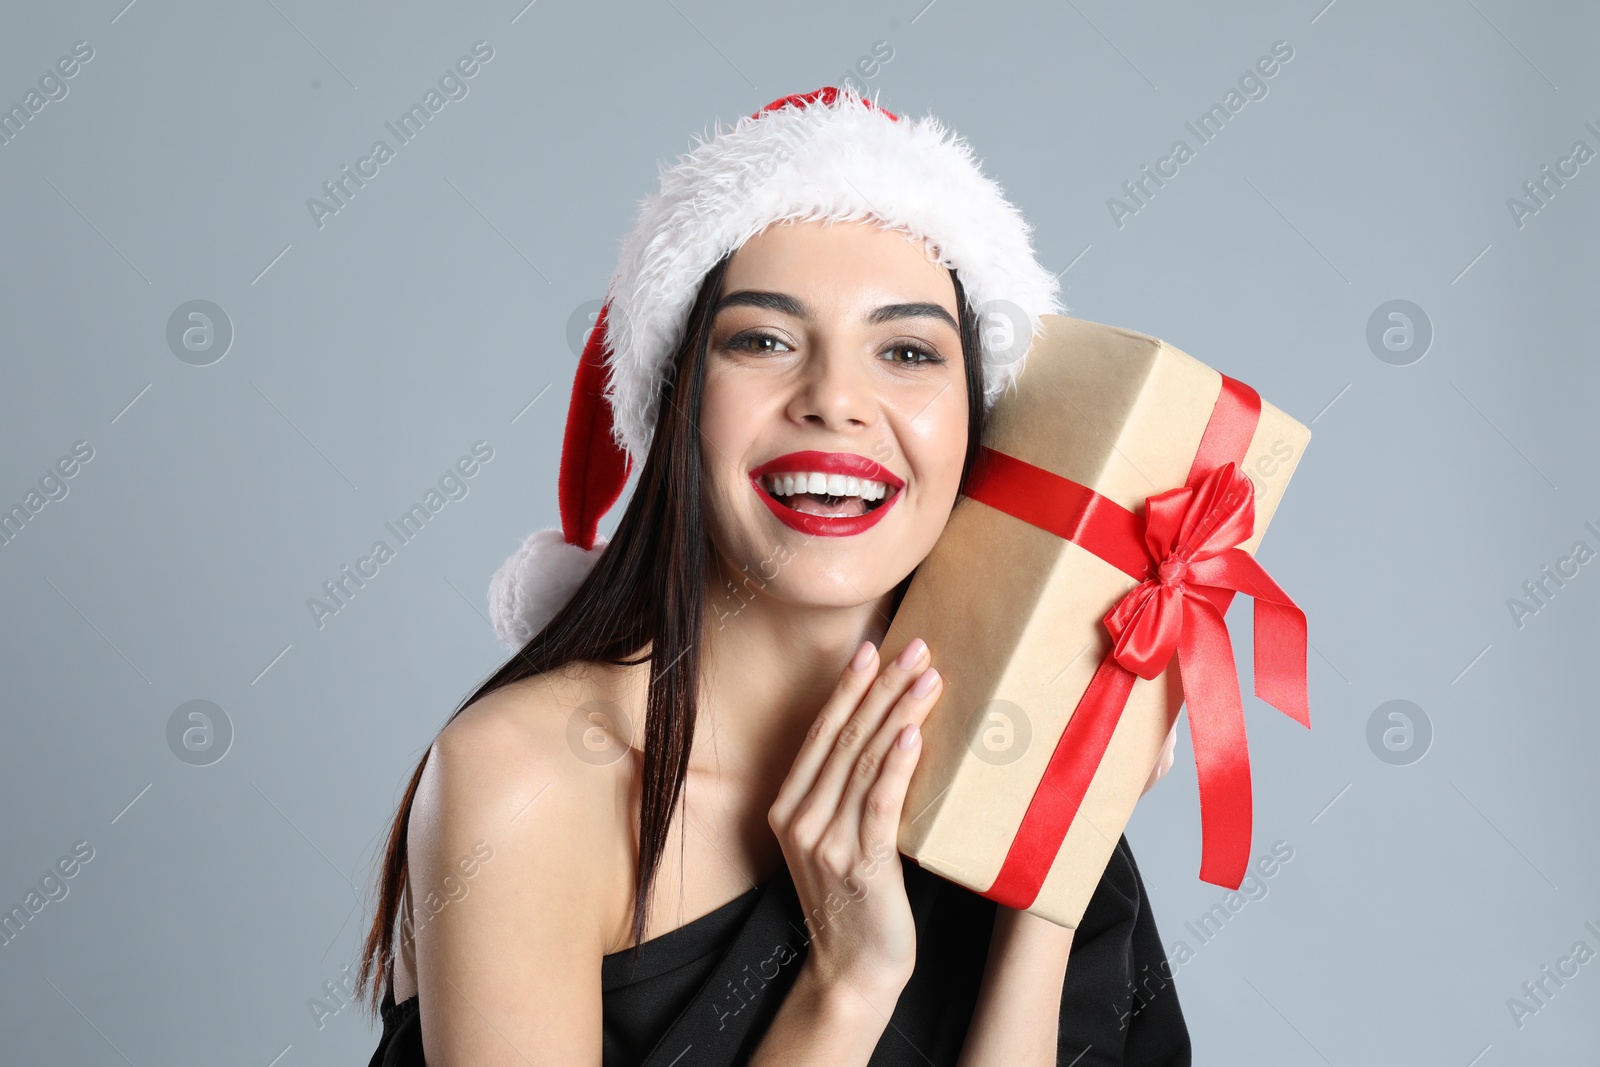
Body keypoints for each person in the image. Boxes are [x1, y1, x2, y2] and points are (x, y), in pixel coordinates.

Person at [358, 86, 1191, 1065]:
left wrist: (1045, 884)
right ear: (677, 404)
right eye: (762, 340)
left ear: (975, 426)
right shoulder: (524, 781)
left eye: (908, 350)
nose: (835, 399)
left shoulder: (1027, 757)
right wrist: (846, 983)